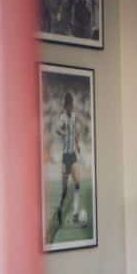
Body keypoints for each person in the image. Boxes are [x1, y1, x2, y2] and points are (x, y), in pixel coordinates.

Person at [53, 91, 83, 227]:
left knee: (77, 183)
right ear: (66, 105)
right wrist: (63, 132)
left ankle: (75, 214)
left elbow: (76, 132)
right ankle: (59, 208)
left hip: (72, 155)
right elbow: (57, 130)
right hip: (65, 157)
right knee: (64, 189)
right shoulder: (63, 117)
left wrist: (77, 144)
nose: (70, 107)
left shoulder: (74, 116)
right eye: (69, 104)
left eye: (71, 104)